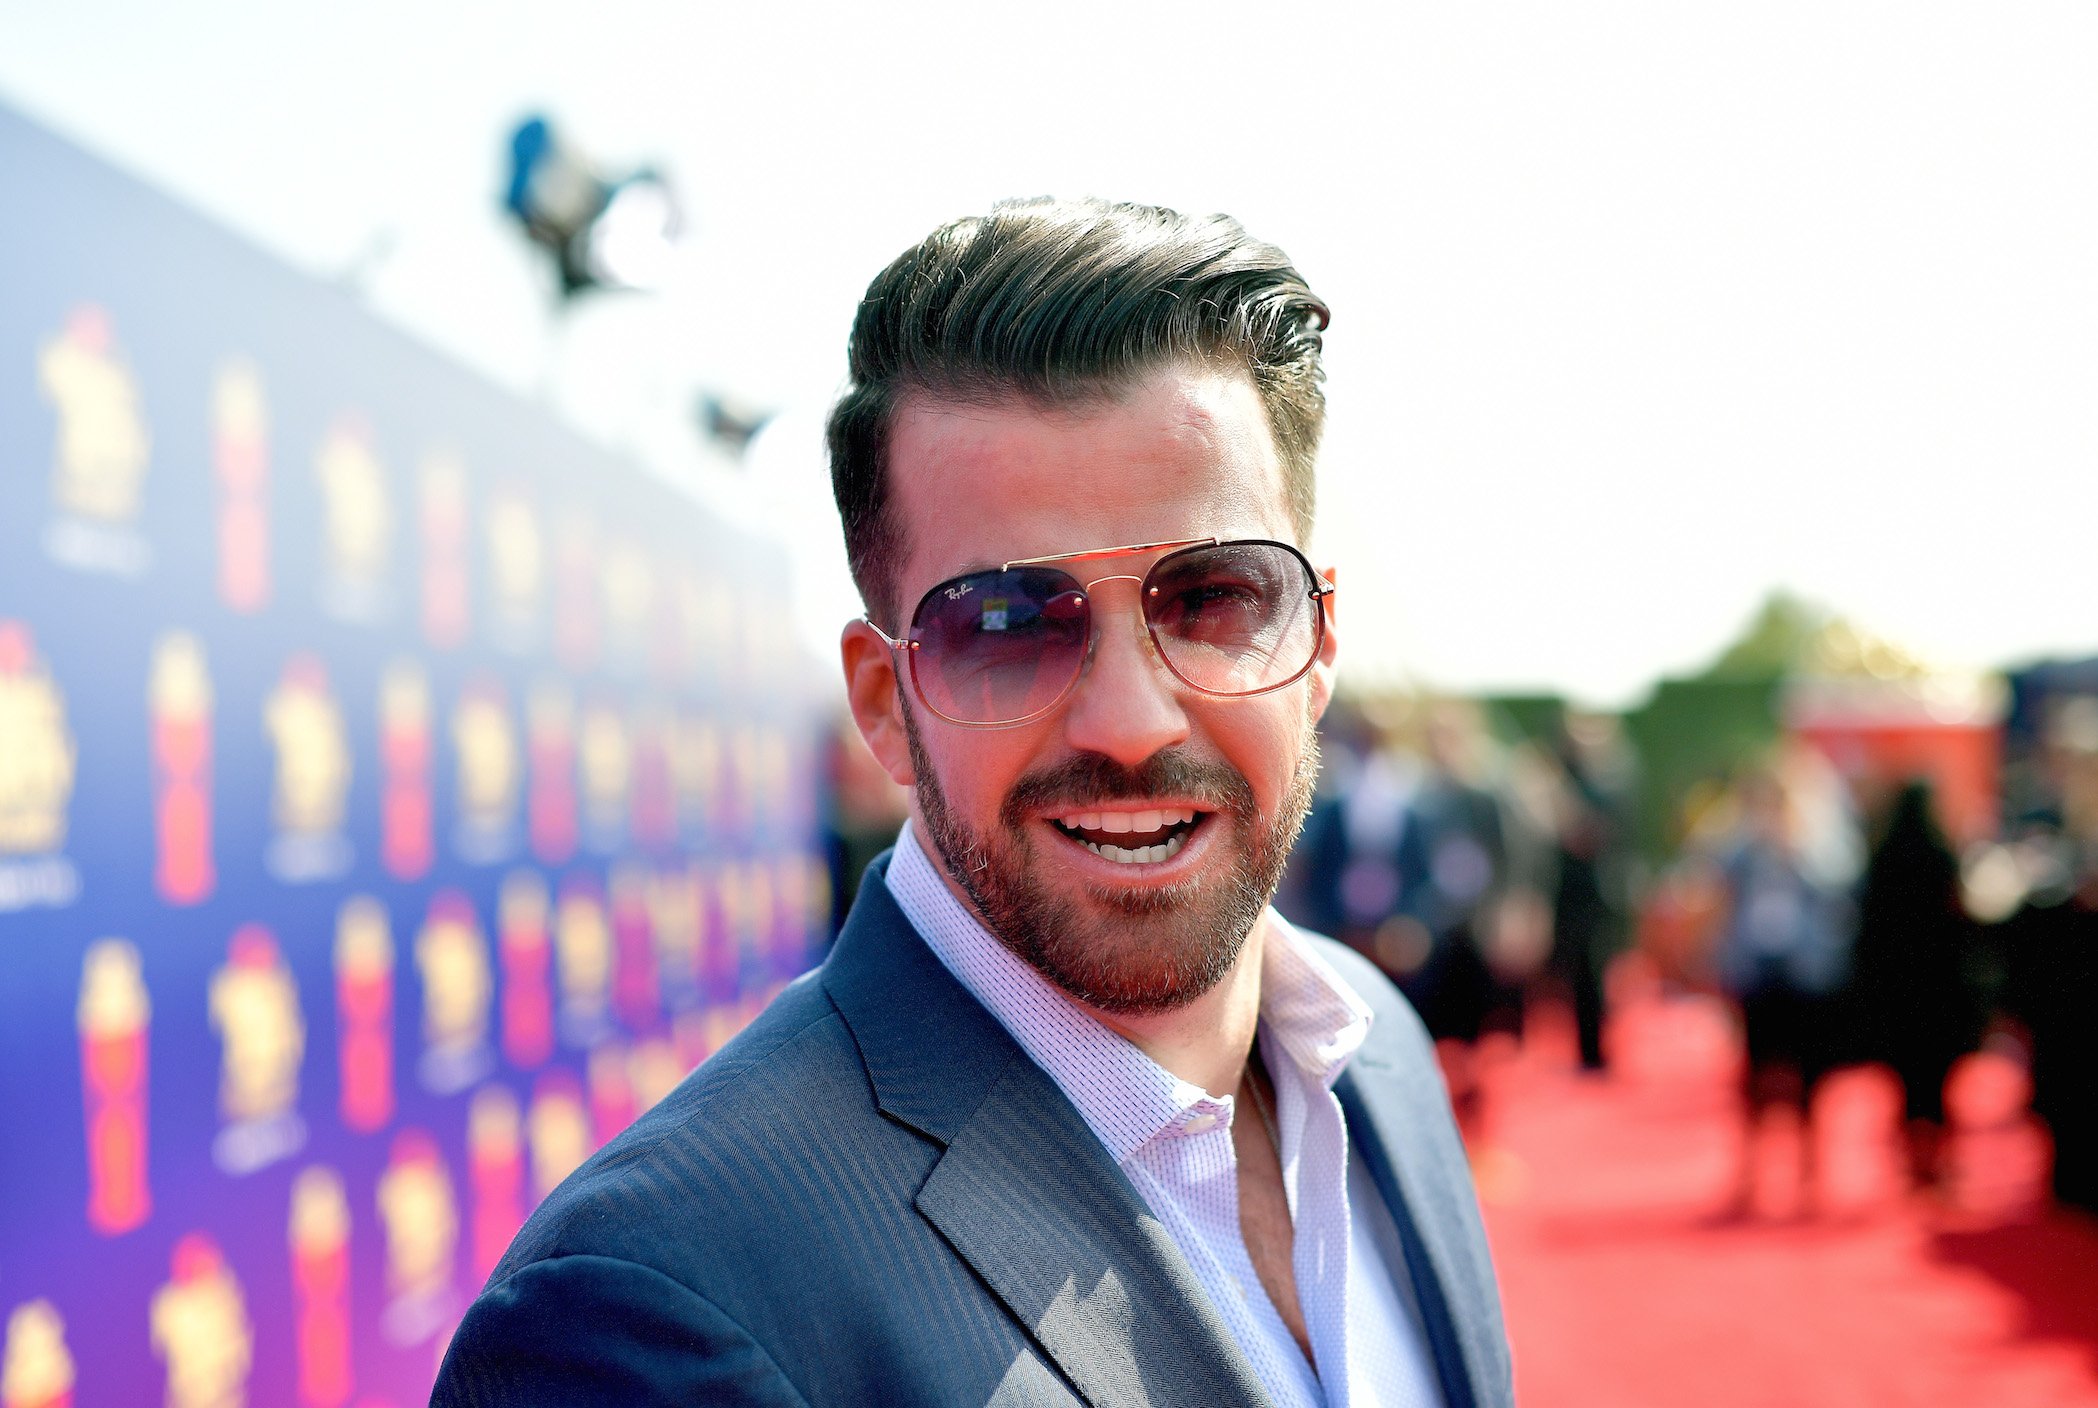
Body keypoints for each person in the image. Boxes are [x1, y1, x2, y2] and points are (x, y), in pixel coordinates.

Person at [435, 197, 1512, 1407]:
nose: (1129, 721)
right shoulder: (650, 1305)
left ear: (1315, 643)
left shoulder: (1378, 1055)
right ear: (883, 700)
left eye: (1211, 596)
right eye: (1003, 623)